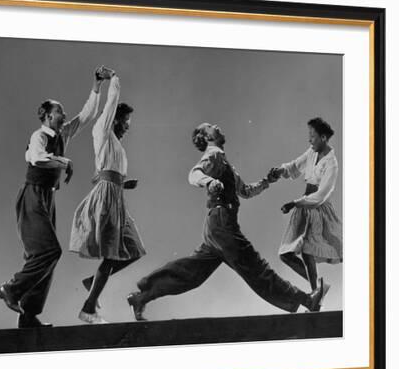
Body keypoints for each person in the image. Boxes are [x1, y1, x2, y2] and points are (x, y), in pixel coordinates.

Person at [127, 122, 326, 321]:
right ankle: (308, 300)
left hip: (216, 226)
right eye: (210, 127)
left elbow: (246, 191)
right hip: (222, 224)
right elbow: (194, 174)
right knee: (256, 267)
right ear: (206, 138)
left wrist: (267, 181)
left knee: (191, 274)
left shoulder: (223, 162)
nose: (216, 126)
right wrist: (210, 181)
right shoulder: (213, 156)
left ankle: (142, 297)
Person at [0, 66, 110, 328]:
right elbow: (36, 158)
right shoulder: (39, 136)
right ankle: (10, 289)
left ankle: (28, 316)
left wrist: (96, 86)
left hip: (47, 199)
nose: (64, 114)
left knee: (43, 256)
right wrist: (64, 161)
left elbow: (87, 114)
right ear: (47, 116)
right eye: (59, 111)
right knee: (48, 252)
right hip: (31, 197)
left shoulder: (62, 134)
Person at [69, 71, 146, 324]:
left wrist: (124, 183)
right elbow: (111, 102)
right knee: (112, 256)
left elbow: (100, 173)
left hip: (116, 199)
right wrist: (112, 78)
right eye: (125, 122)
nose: (127, 127)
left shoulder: (116, 146)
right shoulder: (102, 131)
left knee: (133, 250)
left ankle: (93, 283)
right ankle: (88, 308)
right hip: (106, 201)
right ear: (115, 120)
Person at [268, 117, 342, 301]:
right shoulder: (311, 152)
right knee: (286, 254)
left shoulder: (331, 163)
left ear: (323, 138)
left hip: (317, 209)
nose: (310, 140)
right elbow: (295, 166)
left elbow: (321, 195)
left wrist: (294, 203)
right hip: (303, 207)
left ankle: (316, 293)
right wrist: (279, 171)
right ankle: (318, 288)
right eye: (309, 136)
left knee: (309, 252)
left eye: (313, 137)